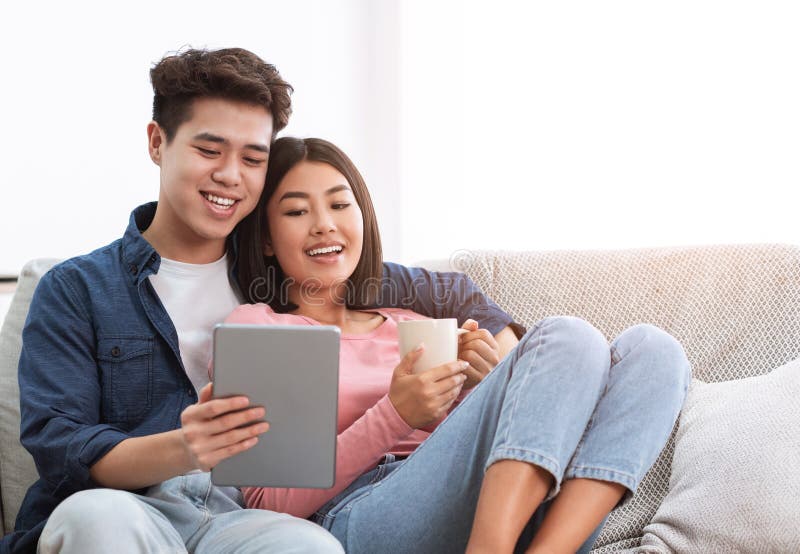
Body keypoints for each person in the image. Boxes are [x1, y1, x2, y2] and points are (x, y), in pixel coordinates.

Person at [2, 48, 519, 554]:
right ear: (158, 143)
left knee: (310, 546)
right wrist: (183, 448)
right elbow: (61, 447)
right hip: (120, 506)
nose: (231, 175)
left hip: (241, 518)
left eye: (253, 158)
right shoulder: (77, 288)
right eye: (209, 151)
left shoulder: (287, 267)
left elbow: (453, 293)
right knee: (98, 517)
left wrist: (498, 353)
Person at [228, 137, 692, 554]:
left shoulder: (412, 323)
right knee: (567, 336)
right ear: (267, 239)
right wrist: (394, 414)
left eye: (339, 206)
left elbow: (476, 447)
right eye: (296, 211)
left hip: (499, 509)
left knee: (655, 352)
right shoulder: (261, 327)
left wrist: (490, 385)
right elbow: (269, 503)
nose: (324, 225)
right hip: (363, 515)